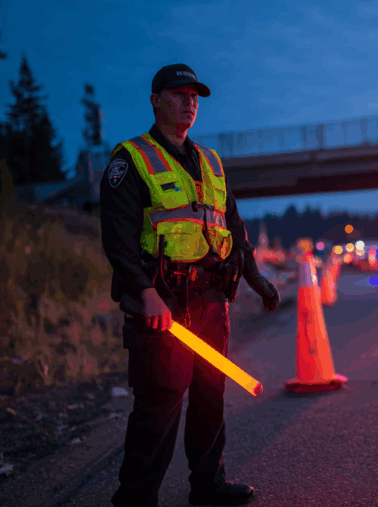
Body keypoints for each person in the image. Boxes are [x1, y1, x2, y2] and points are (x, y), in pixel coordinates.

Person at [100, 63, 280, 507]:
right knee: (160, 401)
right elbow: (117, 239)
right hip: (163, 305)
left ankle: (208, 485)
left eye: (195, 95)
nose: (189, 102)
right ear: (155, 100)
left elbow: (232, 226)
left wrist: (255, 276)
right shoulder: (131, 159)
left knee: (209, 392)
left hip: (209, 301)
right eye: (179, 93)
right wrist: (145, 294)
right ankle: (136, 498)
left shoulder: (211, 162)